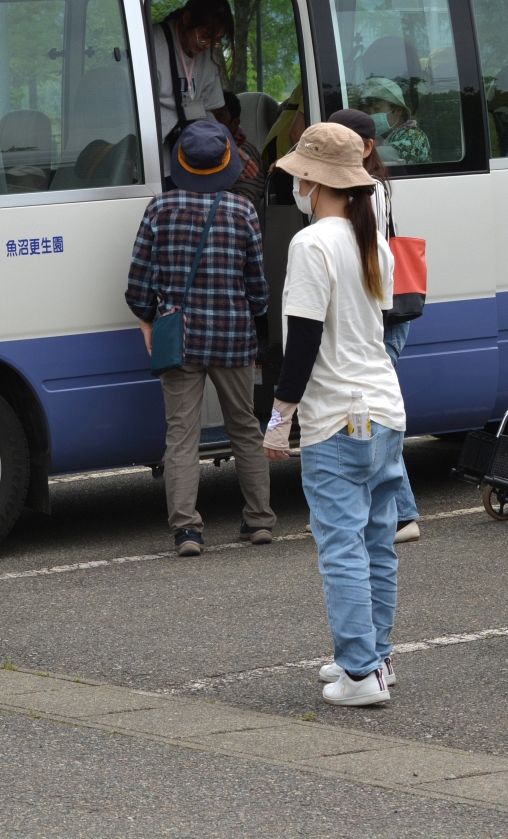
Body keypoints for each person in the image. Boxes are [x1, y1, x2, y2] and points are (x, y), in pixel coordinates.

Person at [264, 123, 406, 708]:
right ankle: (378, 658)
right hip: (386, 407)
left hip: (337, 416)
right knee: (377, 543)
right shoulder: (374, 241)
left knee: (342, 547)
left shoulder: (310, 243)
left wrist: (279, 420)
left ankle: (359, 673)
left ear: (312, 181)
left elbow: (302, 342)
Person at [125, 119, 276, 557]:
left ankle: (187, 531)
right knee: (244, 427)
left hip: (181, 337)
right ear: (226, 162)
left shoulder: (159, 209)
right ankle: (259, 520)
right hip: (233, 336)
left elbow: (138, 280)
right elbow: (257, 286)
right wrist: (255, 316)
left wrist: (148, 319)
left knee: (181, 435)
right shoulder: (242, 211)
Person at [328, 109, 419, 545]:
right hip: (373, 317)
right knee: (365, 413)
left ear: (366, 148)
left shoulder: (372, 188)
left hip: (382, 319)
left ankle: (402, 516)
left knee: (375, 416)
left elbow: (369, 256)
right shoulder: (347, 186)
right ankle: (371, 513)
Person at [152, 0, 234, 174]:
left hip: (186, 158)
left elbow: (205, 112)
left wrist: (227, 146)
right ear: (187, 18)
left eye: (216, 40)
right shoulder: (153, 45)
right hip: (151, 158)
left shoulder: (208, 59)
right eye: (204, 35)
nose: (207, 45)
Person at [355, 77, 431, 165]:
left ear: (398, 110)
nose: (371, 115)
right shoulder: (382, 135)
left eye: (377, 109)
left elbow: (383, 160)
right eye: (367, 111)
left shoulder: (412, 135)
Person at [212, 93, 265, 208]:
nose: (213, 121)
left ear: (235, 123)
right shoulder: (207, 150)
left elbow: (244, 201)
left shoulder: (244, 154)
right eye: (209, 114)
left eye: (220, 115)